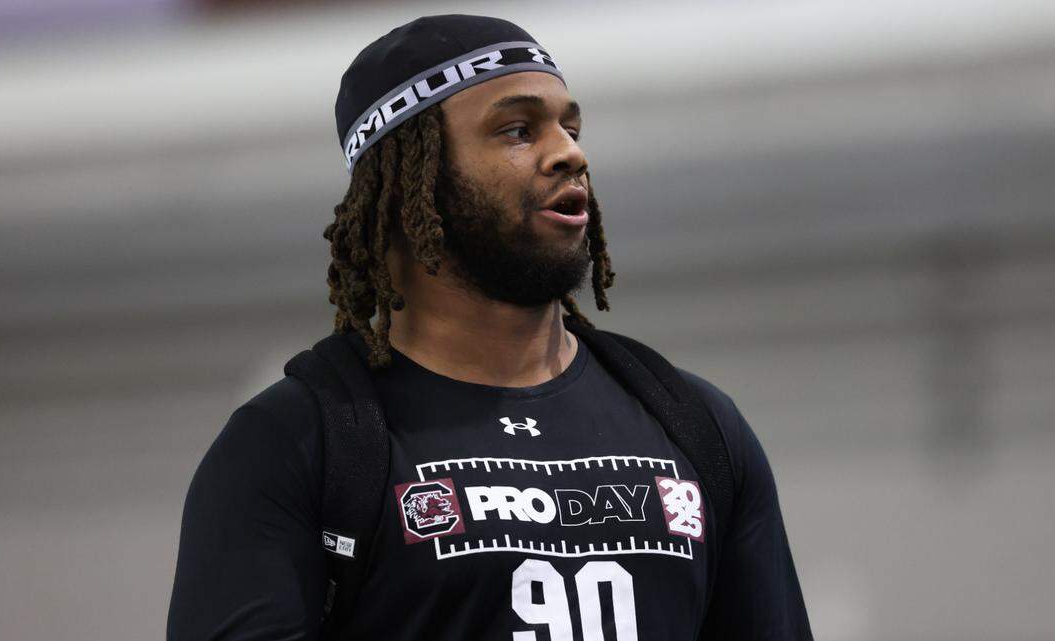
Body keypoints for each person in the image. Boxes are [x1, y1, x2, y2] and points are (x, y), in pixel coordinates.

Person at [167, 14, 812, 641]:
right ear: (411, 181)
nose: (569, 153)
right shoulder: (294, 445)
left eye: (570, 128)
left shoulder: (697, 425)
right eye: (517, 130)